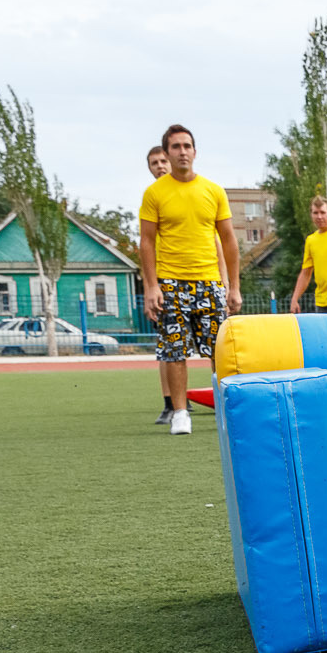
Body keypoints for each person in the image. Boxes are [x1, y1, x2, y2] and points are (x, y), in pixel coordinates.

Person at [139, 124, 240, 435]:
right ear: (167, 153)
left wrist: (233, 287)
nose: (182, 151)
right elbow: (146, 242)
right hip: (170, 283)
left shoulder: (213, 191)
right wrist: (151, 286)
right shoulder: (154, 193)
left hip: (209, 283)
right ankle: (180, 412)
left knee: (218, 350)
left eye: (187, 146)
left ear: (194, 151)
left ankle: (225, 410)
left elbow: (228, 239)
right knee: (175, 351)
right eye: (176, 146)